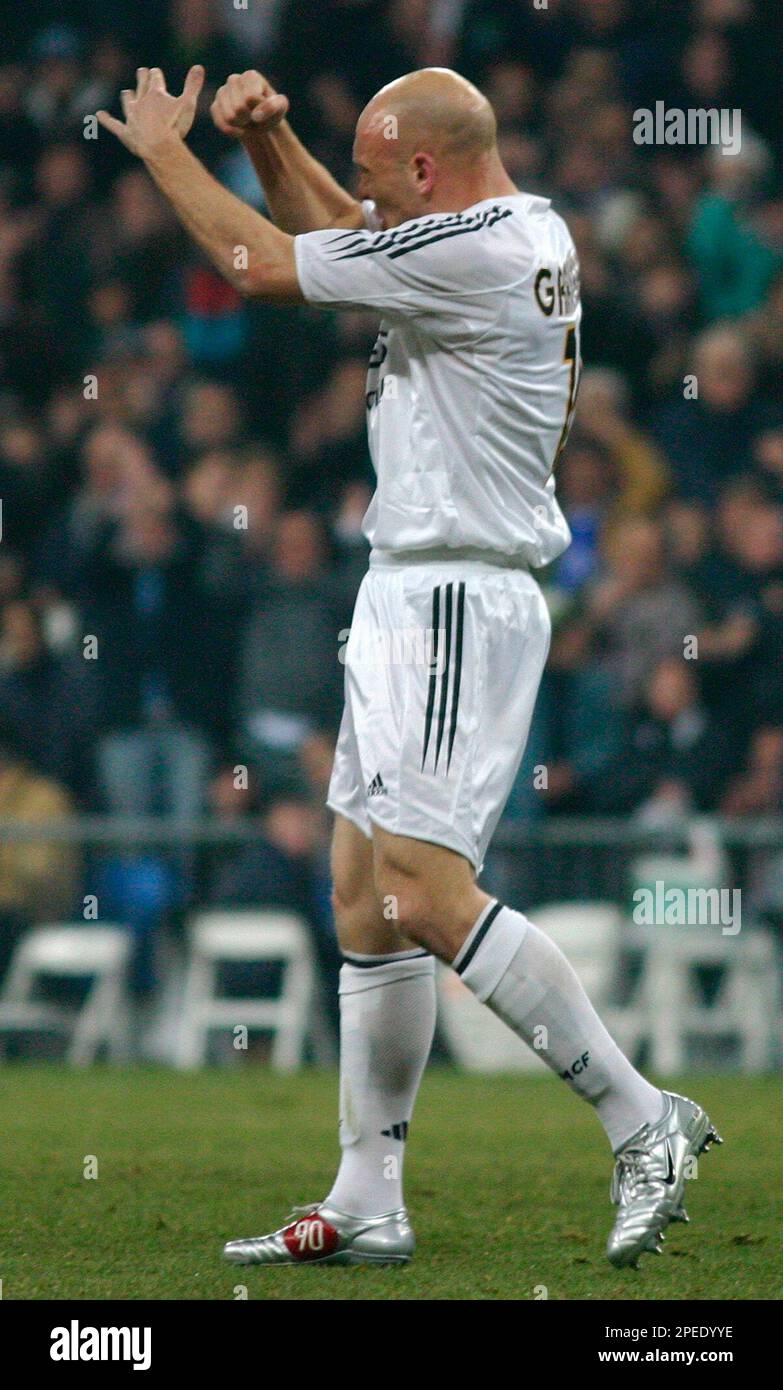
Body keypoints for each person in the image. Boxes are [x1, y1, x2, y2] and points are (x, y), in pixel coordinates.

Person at [97, 61, 720, 1272]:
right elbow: (346, 234)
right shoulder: (509, 224)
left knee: (426, 894)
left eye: (384, 174)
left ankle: (645, 1117)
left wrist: (169, 153)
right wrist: (277, 141)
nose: (371, 196)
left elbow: (268, 266)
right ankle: (369, 1193)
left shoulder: (473, 255)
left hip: (454, 596)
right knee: (360, 895)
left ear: (427, 170)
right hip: (407, 591)